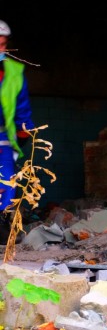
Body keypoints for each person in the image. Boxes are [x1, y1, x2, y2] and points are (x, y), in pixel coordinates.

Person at [0, 20, 34, 241]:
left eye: (3, 45)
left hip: (3, 141)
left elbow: (22, 111)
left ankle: (3, 235)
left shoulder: (14, 72)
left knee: (6, 187)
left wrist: (23, 135)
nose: (0, 50)